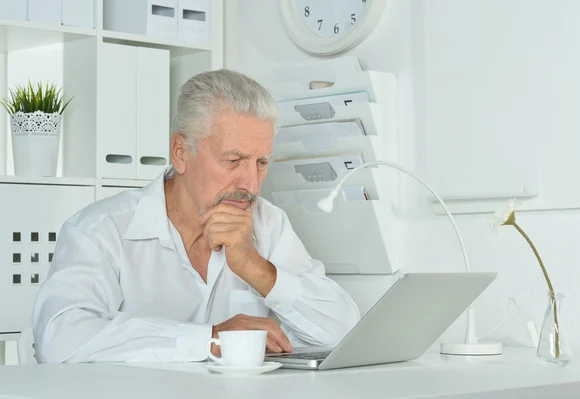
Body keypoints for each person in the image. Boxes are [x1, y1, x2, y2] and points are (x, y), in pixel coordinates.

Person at [32, 69, 361, 363]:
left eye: (261, 163)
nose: (250, 184)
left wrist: (255, 268)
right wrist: (209, 339)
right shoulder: (100, 230)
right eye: (233, 161)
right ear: (181, 153)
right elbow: (59, 338)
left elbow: (346, 332)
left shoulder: (268, 223)